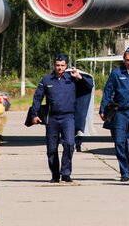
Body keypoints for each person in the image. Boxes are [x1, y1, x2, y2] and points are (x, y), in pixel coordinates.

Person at [29, 54, 83, 183]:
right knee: (52, 149)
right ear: (54, 65)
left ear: (66, 66)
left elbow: (88, 87)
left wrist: (80, 77)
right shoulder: (47, 80)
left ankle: (66, 173)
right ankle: (55, 174)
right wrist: (34, 114)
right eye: (57, 65)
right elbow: (37, 98)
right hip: (52, 118)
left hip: (68, 117)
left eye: (62, 65)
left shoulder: (72, 78)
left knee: (69, 144)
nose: (60, 68)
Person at [100, 46, 129, 182]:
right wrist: (102, 109)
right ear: (123, 59)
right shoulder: (116, 73)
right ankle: (124, 172)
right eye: (127, 60)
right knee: (120, 143)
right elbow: (108, 91)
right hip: (120, 112)